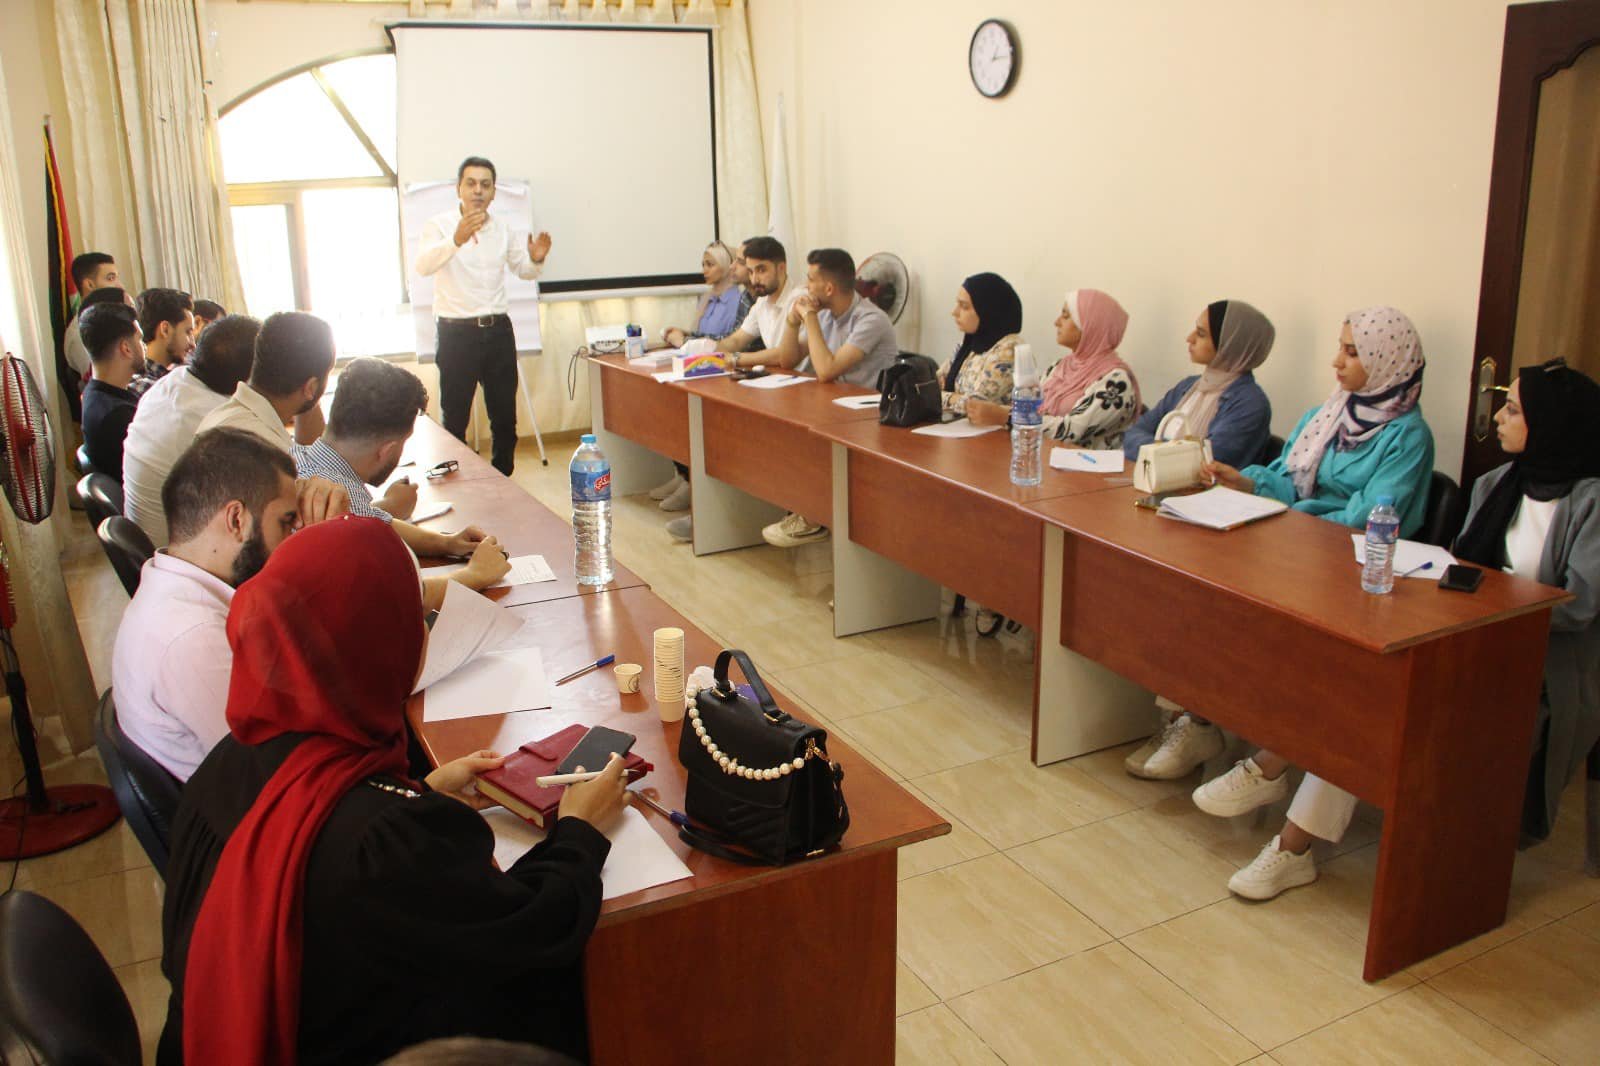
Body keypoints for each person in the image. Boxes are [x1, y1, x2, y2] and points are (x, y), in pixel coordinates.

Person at [158, 517, 629, 1064]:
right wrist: (579, 830)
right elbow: (529, 930)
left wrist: (419, 790)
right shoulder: (383, 844)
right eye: (415, 617)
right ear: (381, 646)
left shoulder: (231, 759)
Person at [1175, 308, 1434, 901]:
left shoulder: (1408, 437)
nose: (1337, 361)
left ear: (1388, 362)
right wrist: (1251, 483)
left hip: (1361, 583)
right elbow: (1288, 478)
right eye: (1340, 347)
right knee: (1226, 618)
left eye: (1352, 351)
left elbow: (1369, 517)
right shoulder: (1329, 413)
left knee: (1344, 686)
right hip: (1299, 558)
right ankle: (1219, 731)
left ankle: (1278, 792)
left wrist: (1294, 508)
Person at [114, 429, 321, 780]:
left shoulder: (170, 580)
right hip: (257, 798)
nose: (292, 538)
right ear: (237, 520)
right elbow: (282, 772)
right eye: (286, 522)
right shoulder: (194, 640)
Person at [1454, 359, 1600, 847]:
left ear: (1552, 423)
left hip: (1550, 660)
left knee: (1477, 722)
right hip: (1481, 637)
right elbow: (1462, 570)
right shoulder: (1495, 484)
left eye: (1513, 409)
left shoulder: (1591, 502)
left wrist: (1494, 612)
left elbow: (1578, 606)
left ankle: (1475, 839)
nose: (1497, 417)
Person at [295, 357, 510, 583]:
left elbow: (378, 519)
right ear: (386, 450)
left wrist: (447, 542)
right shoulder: (347, 508)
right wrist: (476, 573)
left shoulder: (294, 458)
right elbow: (407, 595)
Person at [414, 156, 552, 476]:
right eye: (471, 183)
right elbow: (423, 266)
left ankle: (503, 479)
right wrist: (456, 239)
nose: (478, 190)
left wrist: (536, 259)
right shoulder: (439, 225)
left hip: (498, 332)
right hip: (456, 334)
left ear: (493, 193)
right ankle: (459, 484)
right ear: (459, 189)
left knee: (504, 418)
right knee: (455, 418)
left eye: (485, 185)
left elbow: (523, 270)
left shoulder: (502, 229)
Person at [659, 236, 799, 542]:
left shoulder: (797, 299)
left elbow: (785, 355)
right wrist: (706, 354)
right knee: (722, 426)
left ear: (781, 268)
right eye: (752, 270)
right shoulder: (761, 302)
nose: (755, 278)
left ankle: (722, 515)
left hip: (800, 391)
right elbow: (736, 340)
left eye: (762, 270)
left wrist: (736, 359)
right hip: (772, 386)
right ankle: (712, 512)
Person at [760, 248, 900, 549]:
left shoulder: (871, 320)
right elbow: (787, 360)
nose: (806, 287)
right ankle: (806, 510)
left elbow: (825, 370)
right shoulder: (825, 316)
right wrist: (793, 322)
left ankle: (813, 517)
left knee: (807, 436)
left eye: (811, 280)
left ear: (829, 288)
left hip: (869, 419)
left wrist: (809, 316)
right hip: (834, 408)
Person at [124, 314, 260, 546]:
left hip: (152, 539)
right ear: (251, 374)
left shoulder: (172, 382)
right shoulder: (220, 421)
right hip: (176, 554)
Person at [652, 241, 749, 519]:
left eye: (710, 264)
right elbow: (700, 336)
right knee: (670, 402)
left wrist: (685, 339)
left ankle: (692, 480)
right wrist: (681, 334)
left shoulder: (738, 299)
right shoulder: (706, 297)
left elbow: (727, 340)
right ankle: (682, 473)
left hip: (722, 369)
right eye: (703, 264)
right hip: (701, 366)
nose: (704, 270)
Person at [1119, 299, 1274, 467]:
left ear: (1229, 344)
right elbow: (1133, 433)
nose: (1189, 338)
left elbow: (1204, 462)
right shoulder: (1188, 387)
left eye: (1201, 334)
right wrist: (1170, 453)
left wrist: (1155, 451)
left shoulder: (1249, 404)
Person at [197, 310, 331, 451]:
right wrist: (309, 394)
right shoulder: (267, 447)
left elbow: (309, 452)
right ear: (311, 387)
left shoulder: (224, 415)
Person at [1030, 289, 1141, 448]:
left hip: (1087, 462)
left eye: (1066, 316)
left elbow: (1072, 431)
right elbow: (1030, 405)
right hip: (1046, 454)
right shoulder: (1059, 367)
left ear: (1091, 326)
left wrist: (1012, 418)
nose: (1057, 322)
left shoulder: (1116, 381)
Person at [933, 272, 1022, 423]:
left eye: (964, 306)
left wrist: (941, 396)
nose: (954, 312)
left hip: (993, 435)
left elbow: (975, 405)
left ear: (987, 310)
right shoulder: (968, 345)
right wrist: (952, 397)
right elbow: (931, 384)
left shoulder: (1010, 350)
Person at [78, 302, 146, 481]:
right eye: (140, 340)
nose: (144, 346)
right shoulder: (118, 416)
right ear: (126, 348)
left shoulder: (93, 393)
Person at [63, 253, 120, 381]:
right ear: (89, 285)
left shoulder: (112, 320)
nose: (120, 286)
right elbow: (104, 381)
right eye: (110, 278)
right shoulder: (79, 334)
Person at [134, 288, 197, 395]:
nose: (193, 344)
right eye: (188, 332)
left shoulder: (174, 377)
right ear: (165, 329)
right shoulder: (146, 388)